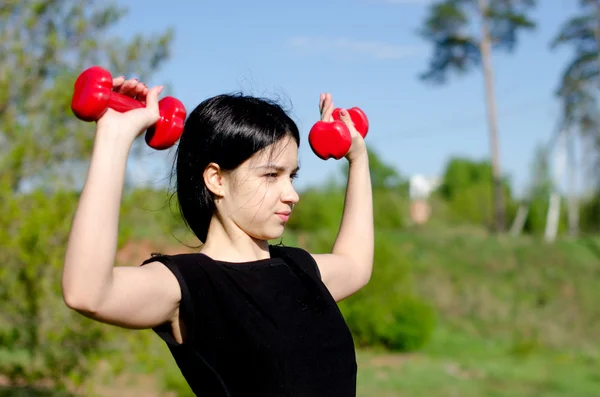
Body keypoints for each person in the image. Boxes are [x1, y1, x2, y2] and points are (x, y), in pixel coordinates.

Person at [62, 75, 374, 396]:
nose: (292, 194)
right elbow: (86, 293)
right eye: (271, 175)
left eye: (291, 176)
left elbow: (355, 263)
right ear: (216, 179)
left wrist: (358, 158)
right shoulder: (189, 284)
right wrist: (114, 136)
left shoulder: (300, 269)